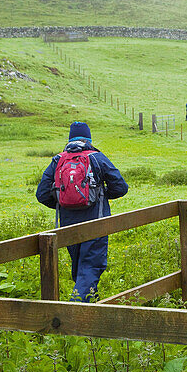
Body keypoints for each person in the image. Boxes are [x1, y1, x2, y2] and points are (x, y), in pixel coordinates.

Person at [36, 122, 128, 301]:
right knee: (91, 267)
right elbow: (121, 187)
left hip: (68, 224)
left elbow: (42, 194)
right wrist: (100, 195)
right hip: (96, 222)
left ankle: (89, 307)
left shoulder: (58, 160)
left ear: (70, 139)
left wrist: (63, 203)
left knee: (80, 268)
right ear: (89, 139)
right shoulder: (96, 157)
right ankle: (75, 313)